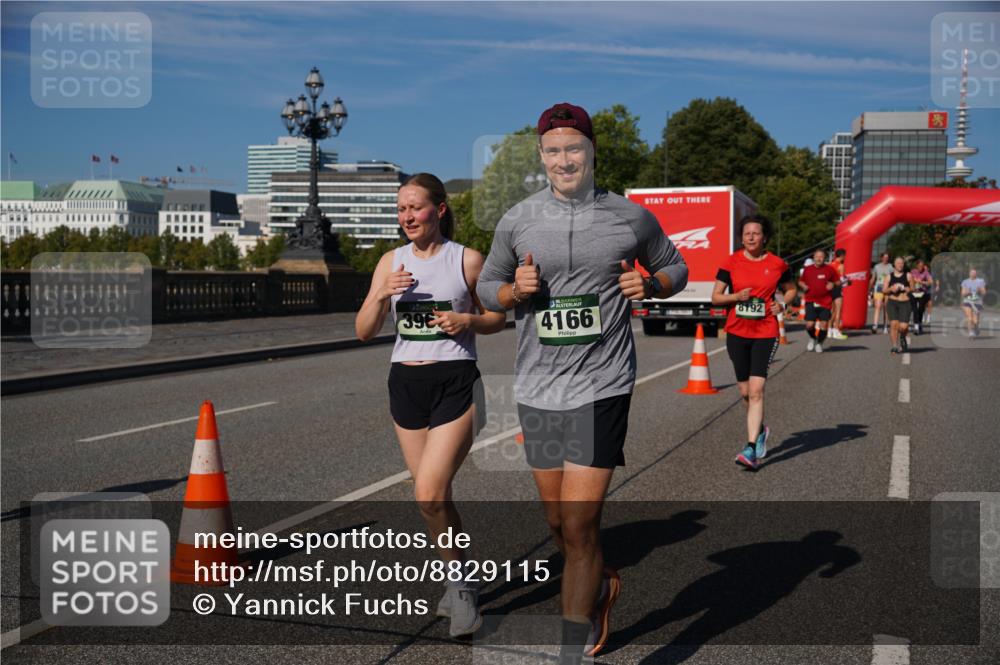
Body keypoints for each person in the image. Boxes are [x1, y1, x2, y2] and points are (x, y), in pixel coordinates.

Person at [477, 102, 688, 663]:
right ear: (541, 156)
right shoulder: (518, 218)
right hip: (538, 388)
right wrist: (510, 292)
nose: (564, 159)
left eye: (574, 148)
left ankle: (569, 648)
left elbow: (676, 265)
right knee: (558, 524)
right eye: (553, 150)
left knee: (580, 520)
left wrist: (655, 285)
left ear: (592, 152)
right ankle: (599, 582)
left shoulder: (630, 217)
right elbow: (486, 286)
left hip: (604, 382)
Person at [355, 173, 507, 637]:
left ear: (438, 210)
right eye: (401, 210)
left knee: (429, 492)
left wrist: (467, 319)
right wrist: (382, 294)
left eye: (415, 208)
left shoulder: (467, 260)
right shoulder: (390, 262)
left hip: (456, 381)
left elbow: (498, 318)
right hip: (405, 383)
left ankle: (460, 591)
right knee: (431, 501)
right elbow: (363, 331)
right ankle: (461, 576)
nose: (407, 218)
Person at [712, 214, 797, 471]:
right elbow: (716, 298)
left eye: (755, 233)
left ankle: (750, 449)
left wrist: (782, 304)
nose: (750, 237)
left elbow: (791, 289)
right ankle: (760, 431)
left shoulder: (777, 264)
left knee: (757, 390)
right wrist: (736, 296)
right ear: (741, 237)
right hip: (737, 331)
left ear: (764, 237)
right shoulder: (731, 262)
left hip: (765, 331)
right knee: (745, 392)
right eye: (746, 233)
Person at [798, 249, 838, 353]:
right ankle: (813, 338)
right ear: (813, 257)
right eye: (817, 256)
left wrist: (833, 284)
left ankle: (819, 343)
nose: (819, 258)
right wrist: (803, 286)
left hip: (825, 301)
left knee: (824, 325)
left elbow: (838, 281)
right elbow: (801, 281)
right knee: (809, 325)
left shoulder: (830, 269)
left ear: (824, 258)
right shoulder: (808, 269)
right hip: (811, 300)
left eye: (821, 256)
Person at [883, 256, 913, 353]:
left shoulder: (908, 275)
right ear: (894, 265)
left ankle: (903, 337)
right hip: (892, 302)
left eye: (902, 263)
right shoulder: (889, 276)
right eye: (898, 263)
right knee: (894, 324)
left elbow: (913, 288)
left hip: (905, 302)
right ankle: (894, 346)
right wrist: (891, 289)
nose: (900, 265)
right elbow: (884, 290)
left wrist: (908, 289)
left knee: (903, 326)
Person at [869, 252, 893, 334]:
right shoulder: (876, 267)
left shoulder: (890, 267)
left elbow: (893, 278)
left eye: (887, 257)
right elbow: (873, 278)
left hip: (887, 288)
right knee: (878, 306)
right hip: (878, 287)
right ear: (881, 258)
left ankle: (885, 326)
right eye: (884, 257)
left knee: (886, 308)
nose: (886, 259)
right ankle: (875, 325)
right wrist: (869, 288)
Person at [909, 258, 933, 335]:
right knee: (915, 309)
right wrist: (914, 280)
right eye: (919, 266)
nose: (920, 268)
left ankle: (919, 324)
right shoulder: (913, 272)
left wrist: (922, 282)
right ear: (916, 266)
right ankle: (916, 327)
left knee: (921, 310)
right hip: (914, 292)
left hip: (922, 293)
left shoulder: (926, 273)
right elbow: (909, 280)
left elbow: (931, 282)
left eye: (922, 266)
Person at [960, 267, 987, 338]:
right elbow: (962, 293)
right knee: (969, 318)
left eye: (974, 273)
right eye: (972, 273)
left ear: (976, 274)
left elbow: (984, 292)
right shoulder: (965, 281)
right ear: (969, 273)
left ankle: (976, 327)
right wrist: (967, 292)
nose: (973, 274)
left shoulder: (980, 281)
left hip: (977, 302)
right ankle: (971, 332)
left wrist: (980, 290)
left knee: (976, 321)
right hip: (967, 301)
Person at [828, 248, 848, 339]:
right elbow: (842, 280)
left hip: (829, 288)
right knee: (838, 310)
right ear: (842, 256)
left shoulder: (830, 265)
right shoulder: (841, 266)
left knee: (832, 310)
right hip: (837, 288)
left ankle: (829, 330)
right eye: (845, 256)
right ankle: (836, 331)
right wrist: (849, 281)